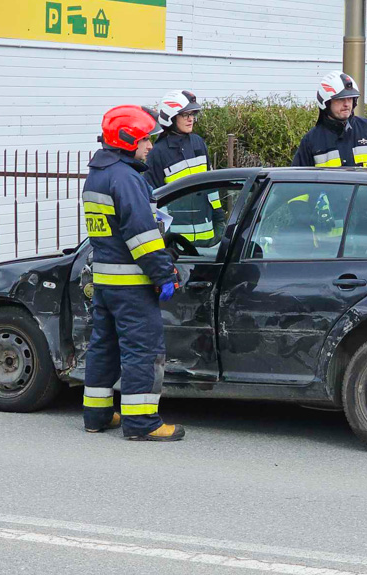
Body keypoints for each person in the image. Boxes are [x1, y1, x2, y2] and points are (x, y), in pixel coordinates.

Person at [81, 105, 184, 441]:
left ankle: (96, 415)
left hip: (106, 282)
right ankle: (141, 423)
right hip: (132, 285)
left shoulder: (98, 174)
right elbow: (142, 237)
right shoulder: (126, 178)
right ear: (127, 141)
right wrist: (164, 276)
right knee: (143, 350)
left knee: (103, 347)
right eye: (145, 139)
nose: (150, 146)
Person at [146, 90, 225, 247]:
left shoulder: (198, 143)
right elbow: (154, 198)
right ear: (171, 117)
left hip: (207, 239)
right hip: (178, 243)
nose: (191, 119)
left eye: (192, 114)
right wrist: (167, 237)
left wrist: (219, 217)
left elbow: (211, 186)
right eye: (185, 115)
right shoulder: (158, 153)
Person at [292, 71, 367, 169]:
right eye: (340, 99)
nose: (346, 104)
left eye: (350, 99)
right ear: (326, 103)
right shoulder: (311, 140)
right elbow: (298, 182)